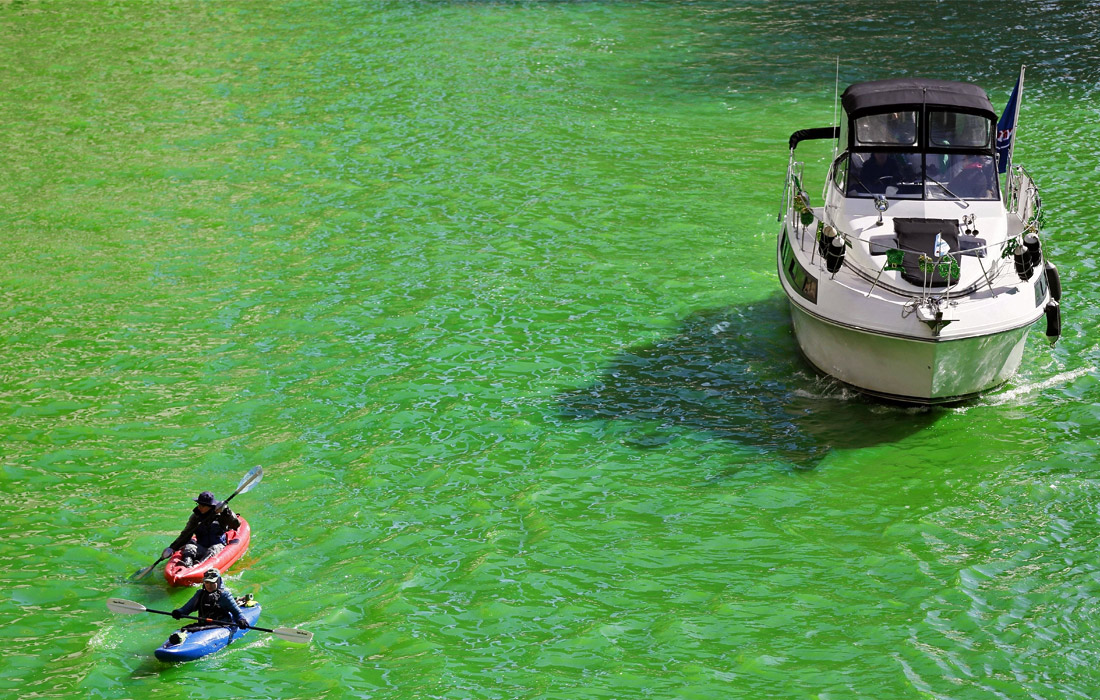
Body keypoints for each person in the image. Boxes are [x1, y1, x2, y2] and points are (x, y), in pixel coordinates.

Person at [160, 491, 241, 568]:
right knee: (189, 547)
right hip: (201, 546)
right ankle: (187, 563)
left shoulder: (221, 515)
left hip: (218, 546)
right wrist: (172, 548)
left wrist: (226, 510)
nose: (199, 507)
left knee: (214, 549)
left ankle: (200, 565)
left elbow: (236, 525)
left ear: (210, 506)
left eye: (202, 506)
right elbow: (186, 534)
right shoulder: (195, 517)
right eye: (198, 504)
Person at [167, 568, 249, 644]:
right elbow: (186, 608)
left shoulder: (225, 596)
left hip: (221, 626)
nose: (209, 585)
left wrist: (241, 620)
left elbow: (237, 613)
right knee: (186, 629)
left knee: (194, 629)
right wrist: (178, 612)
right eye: (207, 582)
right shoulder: (200, 594)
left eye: (212, 582)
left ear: (218, 581)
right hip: (203, 625)